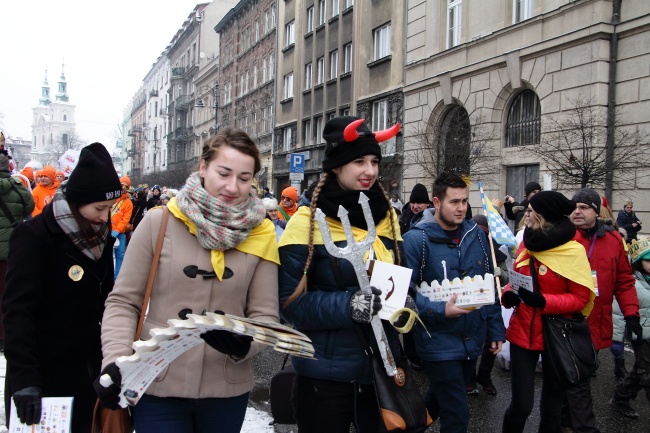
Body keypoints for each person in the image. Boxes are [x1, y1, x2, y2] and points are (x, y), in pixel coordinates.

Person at [95, 127, 280, 433]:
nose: (233, 187)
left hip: (226, 389)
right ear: (203, 167)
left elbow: (266, 317)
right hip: (158, 384)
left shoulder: (261, 233)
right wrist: (115, 361)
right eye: (224, 173)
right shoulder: (159, 221)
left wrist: (245, 342)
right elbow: (124, 302)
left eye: (244, 178)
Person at [278, 116, 403, 433]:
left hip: (379, 373)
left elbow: (399, 281)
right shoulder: (305, 222)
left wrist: (405, 302)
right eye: (359, 161)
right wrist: (349, 305)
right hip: (324, 378)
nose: (370, 171)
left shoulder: (387, 218)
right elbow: (290, 305)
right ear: (335, 166)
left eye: (374, 161)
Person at [2, 142, 122, 431]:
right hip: (42, 375)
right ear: (78, 201)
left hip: (87, 372)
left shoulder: (99, 237)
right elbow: (17, 312)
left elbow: (107, 302)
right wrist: (25, 379)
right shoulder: (34, 236)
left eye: (110, 208)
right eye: (100, 208)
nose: (105, 217)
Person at [402, 171, 506, 433]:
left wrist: (494, 329)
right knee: (457, 415)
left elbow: (487, 286)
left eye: (464, 201)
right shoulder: (416, 240)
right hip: (436, 341)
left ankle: (403, 429)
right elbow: (405, 295)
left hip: (472, 339)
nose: (461, 208)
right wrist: (439, 309)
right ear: (436, 202)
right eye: (454, 202)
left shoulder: (477, 235)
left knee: (438, 400)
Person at [500, 190, 596, 433]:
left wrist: (543, 301)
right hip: (523, 332)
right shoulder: (527, 241)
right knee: (521, 406)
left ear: (545, 216)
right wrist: (508, 293)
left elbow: (580, 297)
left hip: (557, 336)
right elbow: (517, 279)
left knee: (552, 411)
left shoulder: (573, 250)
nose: (526, 215)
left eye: (531, 211)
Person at [464, 214, 510, 397]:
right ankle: (468, 380)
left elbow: (506, 278)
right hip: (472, 300)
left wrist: (500, 274)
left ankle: (484, 376)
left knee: (492, 340)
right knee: (472, 340)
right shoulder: (465, 249)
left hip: (491, 300)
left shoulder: (495, 252)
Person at [609, 237, 650, 419]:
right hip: (641, 334)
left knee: (640, 371)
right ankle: (620, 397)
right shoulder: (631, 283)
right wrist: (616, 338)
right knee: (646, 373)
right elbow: (618, 311)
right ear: (638, 262)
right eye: (648, 260)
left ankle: (621, 395)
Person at [0, 152, 35, 352]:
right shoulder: (17, 186)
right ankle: (7, 335)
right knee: (10, 292)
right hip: (12, 248)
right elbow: (29, 206)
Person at [111, 176, 134, 280]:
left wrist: (117, 230)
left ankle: (117, 278)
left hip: (120, 233)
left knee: (120, 255)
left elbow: (125, 219)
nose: (123, 188)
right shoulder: (111, 197)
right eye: (121, 185)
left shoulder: (128, 203)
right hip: (107, 231)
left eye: (126, 186)